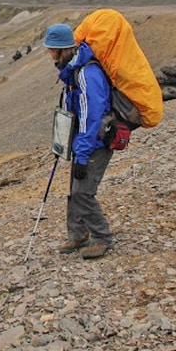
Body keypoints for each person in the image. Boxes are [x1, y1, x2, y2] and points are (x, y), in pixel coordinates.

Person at [43, 23, 114, 259]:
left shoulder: (86, 74)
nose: (50, 55)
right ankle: (78, 234)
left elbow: (91, 118)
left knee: (83, 193)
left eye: (52, 50)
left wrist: (82, 154)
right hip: (82, 142)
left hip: (96, 143)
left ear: (64, 50)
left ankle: (101, 238)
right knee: (75, 191)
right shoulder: (73, 71)